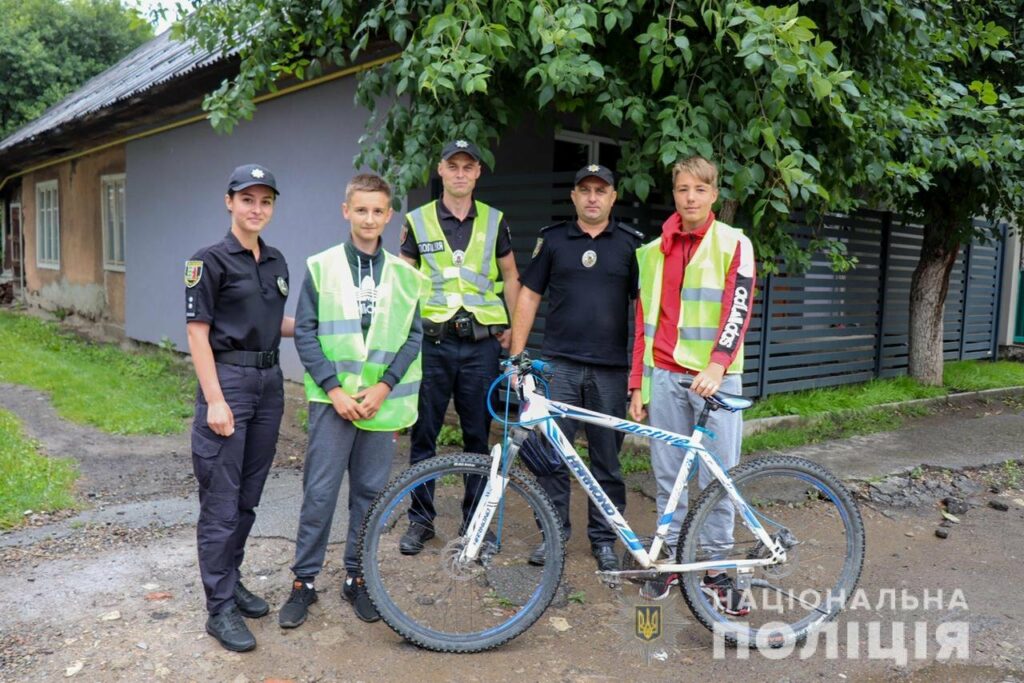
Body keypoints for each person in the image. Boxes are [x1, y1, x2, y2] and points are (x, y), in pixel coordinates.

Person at [278, 173, 428, 628]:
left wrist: (383, 388)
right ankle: (304, 582)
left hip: (379, 407)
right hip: (333, 403)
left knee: (368, 494)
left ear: (388, 215)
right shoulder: (322, 266)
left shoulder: (405, 275)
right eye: (360, 209)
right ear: (347, 211)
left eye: (377, 211)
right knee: (320, 493)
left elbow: (412, 336)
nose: (368, 218)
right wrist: (335, 390)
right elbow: (305, 331)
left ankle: (357, 578)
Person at [627, 155, 755, 610]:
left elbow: (738, 308)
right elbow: (644, 321)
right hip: (664, 375)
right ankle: (670, 563)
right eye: (683, 189)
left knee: (716, 477)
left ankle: (718, 571)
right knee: (668, 476)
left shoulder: (734, 243)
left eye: (700, 189)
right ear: (674, 194)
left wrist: (718, 366)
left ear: (714, 194)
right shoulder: (651, 251)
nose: (691, 197)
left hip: (714, 380)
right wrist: (637, 384)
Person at [509, 164, 643, 572]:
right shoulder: (553, 241)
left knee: (606, 460)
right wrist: (518, 359)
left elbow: (643, 310)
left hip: (610, 369)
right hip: (558, 367)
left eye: (600, 191)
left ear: (613, 197)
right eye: (584, 190)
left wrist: (640, 374)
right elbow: (529, 297)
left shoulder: (632, 245)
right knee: (551, 456)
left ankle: (603, 539)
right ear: (573, 196)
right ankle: (554, 534)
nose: (592, 197)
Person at [185, 164, 295, 652]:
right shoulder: (208, 261)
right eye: (247, 199)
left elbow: (277, 321)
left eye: (265, 201)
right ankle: (219, 609)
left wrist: (331, 323)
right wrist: (214, 400)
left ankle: (230, 579)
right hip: (228, 381)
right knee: (221, 504)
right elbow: (197, 333)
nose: (257, 209)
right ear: (229, 201)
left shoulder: (276, 262)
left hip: (269, 383)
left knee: (248, 496)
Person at [397, 140, 521, 554]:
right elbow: (402, 282)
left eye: (469, 166)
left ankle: (474, 524)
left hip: (480, 347)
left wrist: (514, 333)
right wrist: (401, 339)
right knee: (424, 435)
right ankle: (421, 521)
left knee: (476, 438)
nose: (461, 173)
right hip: (432, 345)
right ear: (441, 170)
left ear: (478, 173)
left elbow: (512, 277)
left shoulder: (495, 220)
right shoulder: (417, 220)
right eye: (454, 166)